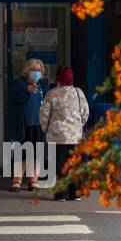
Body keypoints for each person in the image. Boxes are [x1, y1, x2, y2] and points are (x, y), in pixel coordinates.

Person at [39, 66, 90, 201]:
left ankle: (62, 194)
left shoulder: (52, 93)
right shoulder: (79, 93)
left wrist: (46, 128)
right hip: (75, 135)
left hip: (57, 135)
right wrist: (78, 125)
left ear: (58, 78)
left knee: (60, 165)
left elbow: (44, 114)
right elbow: (85, 113)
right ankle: (76, 193)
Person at [9, 58, 50, 191]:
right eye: (33, 69)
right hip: (23, 123)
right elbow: (13, 98)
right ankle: (17, 180)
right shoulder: (18, 83)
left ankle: (34, 180)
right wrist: (27, 90)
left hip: (38, 124)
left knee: (37, 152)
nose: (36, 72)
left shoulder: (43, 85)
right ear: (26, 71)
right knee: (22, 152)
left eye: (38, 70)